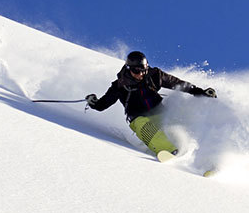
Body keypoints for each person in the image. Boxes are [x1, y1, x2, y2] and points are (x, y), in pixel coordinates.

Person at [86, 51, 216, 160]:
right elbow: (102, 105)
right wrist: (93, 102)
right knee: (145, 128)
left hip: (160, 113)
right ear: (129, 69)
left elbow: (178, 84)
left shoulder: (154, 75)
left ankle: (207, 154)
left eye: (143, 70)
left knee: (182, 119)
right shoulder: (119, 86)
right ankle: (170, 151)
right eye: (137, 71)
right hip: (138, 118)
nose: (141, 74)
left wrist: (200, 92)